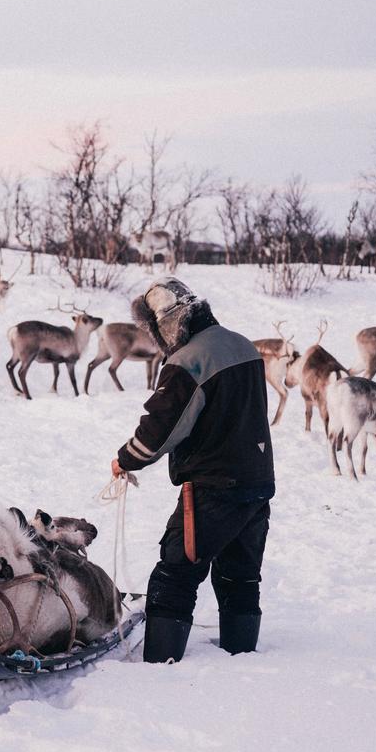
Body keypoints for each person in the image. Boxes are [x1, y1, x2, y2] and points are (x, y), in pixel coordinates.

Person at [110, 277, 274, 663]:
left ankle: (160, 664)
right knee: (241, 573)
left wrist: (126, 459)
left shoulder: (189, 360)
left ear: (165, 323)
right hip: (257, 481)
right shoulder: (242, 344)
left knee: (175, 573)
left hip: (213, 486)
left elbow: (163, 426)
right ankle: (242, 650)